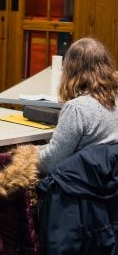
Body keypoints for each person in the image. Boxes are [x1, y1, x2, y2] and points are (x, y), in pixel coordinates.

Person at [37, 37, 118, 173]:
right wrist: (39, 149)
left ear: (70, 69)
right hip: (109, 184)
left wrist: (27, 154)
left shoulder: (76, 109)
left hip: (77, 186)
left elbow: (50, 163)